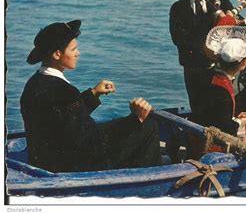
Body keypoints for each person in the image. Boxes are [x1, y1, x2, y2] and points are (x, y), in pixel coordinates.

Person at [20, 20, 162, 172]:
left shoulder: (34, 84)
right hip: (74, 166)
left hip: (45, 161)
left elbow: (63, 116)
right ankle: (147, 179)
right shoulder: (65, 91)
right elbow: (92, 142)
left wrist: (94, 94)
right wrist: (136, 119)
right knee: (148, 125)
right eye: (73, 49)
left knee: (123, 125)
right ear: (57, 54)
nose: (78, 53)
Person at [169, 0, 236, 116]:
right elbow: (178, 38)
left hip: (220, 68)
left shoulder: (221, 2)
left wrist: (231, 18)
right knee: (198, 109)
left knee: (221, 110)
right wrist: (203, 47)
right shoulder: (178, 8)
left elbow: (236, 29)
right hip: (193, 69)